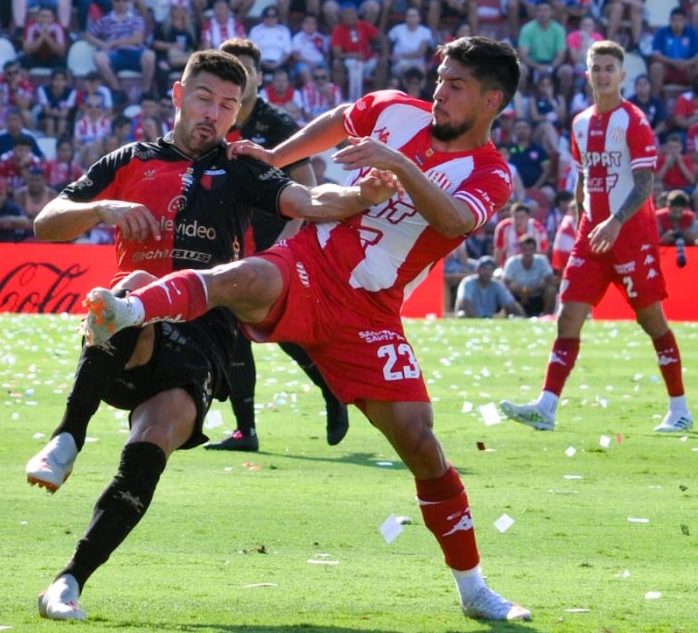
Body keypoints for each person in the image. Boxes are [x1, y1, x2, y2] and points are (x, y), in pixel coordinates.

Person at [79, 37, 533, 622]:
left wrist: (398, 164)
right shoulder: (396, 109)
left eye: (457, 87)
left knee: (422, 445)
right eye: (441, 79)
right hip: (311, 261)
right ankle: (130, 310)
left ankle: (473, 590)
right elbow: (342, 119)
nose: (440, 93)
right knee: (244, 278)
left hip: (371, 312)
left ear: (492, 100)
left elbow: (453, 219)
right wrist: (273, 158)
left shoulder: (492, 174)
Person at [26, 50, 398, 620]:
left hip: (202, 334)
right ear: (178, 95)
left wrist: (360, 198)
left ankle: (70, 579)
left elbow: (308, 201)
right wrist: (104, 209)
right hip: (125, 332)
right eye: (204, 99)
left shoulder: (241, 165)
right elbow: (47, 222)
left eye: (228, 105)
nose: (215, 114)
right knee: (137, 284)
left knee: (155, 439)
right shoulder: (130, 159)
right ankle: (68, 435)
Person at [501, 41, 692, 434]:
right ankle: (546, 407)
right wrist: (579, 218)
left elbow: (644, 185)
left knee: (651, 320)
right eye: (596, 68)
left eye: (610, 68)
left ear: (621, 75)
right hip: (592, 234)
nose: (603, 74)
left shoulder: (634, 121)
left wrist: (616, 222)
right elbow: (584, 177)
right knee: (568, 316)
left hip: (630, 235)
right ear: (587, 75)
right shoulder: (580, 123)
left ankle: (680, 409)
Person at [206, 38, 348, 452]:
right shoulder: (212, 119)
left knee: (279, 329)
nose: (239, 75)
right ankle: (245, 430)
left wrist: (289, 242)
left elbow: (308, 187)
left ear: (258, 77)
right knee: (234, 331)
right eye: (231, 66)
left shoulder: (277, 124)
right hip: (226, 239)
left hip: (273, 242)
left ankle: (330, 390)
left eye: (246, 70)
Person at [502, 235, 557, 316]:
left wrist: (534, 289)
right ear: (520, 250)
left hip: (537, 296)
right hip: (517, 297)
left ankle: (546, 317)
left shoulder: (542, 261)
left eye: (531, 249)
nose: (528, 253)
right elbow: (505, 284)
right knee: (505, 293)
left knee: (551, 291)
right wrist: (521, 291)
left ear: (535, 250)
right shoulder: (511, 262)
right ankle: (510, 316)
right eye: (525, 249)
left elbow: (550, 280)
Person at [455, 257, 524, 318]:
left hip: (488, 319)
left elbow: (510, 303)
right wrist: (476, 320)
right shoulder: (468, 282)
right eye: (484, 269)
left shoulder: (496, 284)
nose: (487, 272)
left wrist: (524, 317)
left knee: (512, 316)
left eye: (490, 270)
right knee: (462, 315)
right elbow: (465, 302)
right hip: (469, 318)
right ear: (478, 270)